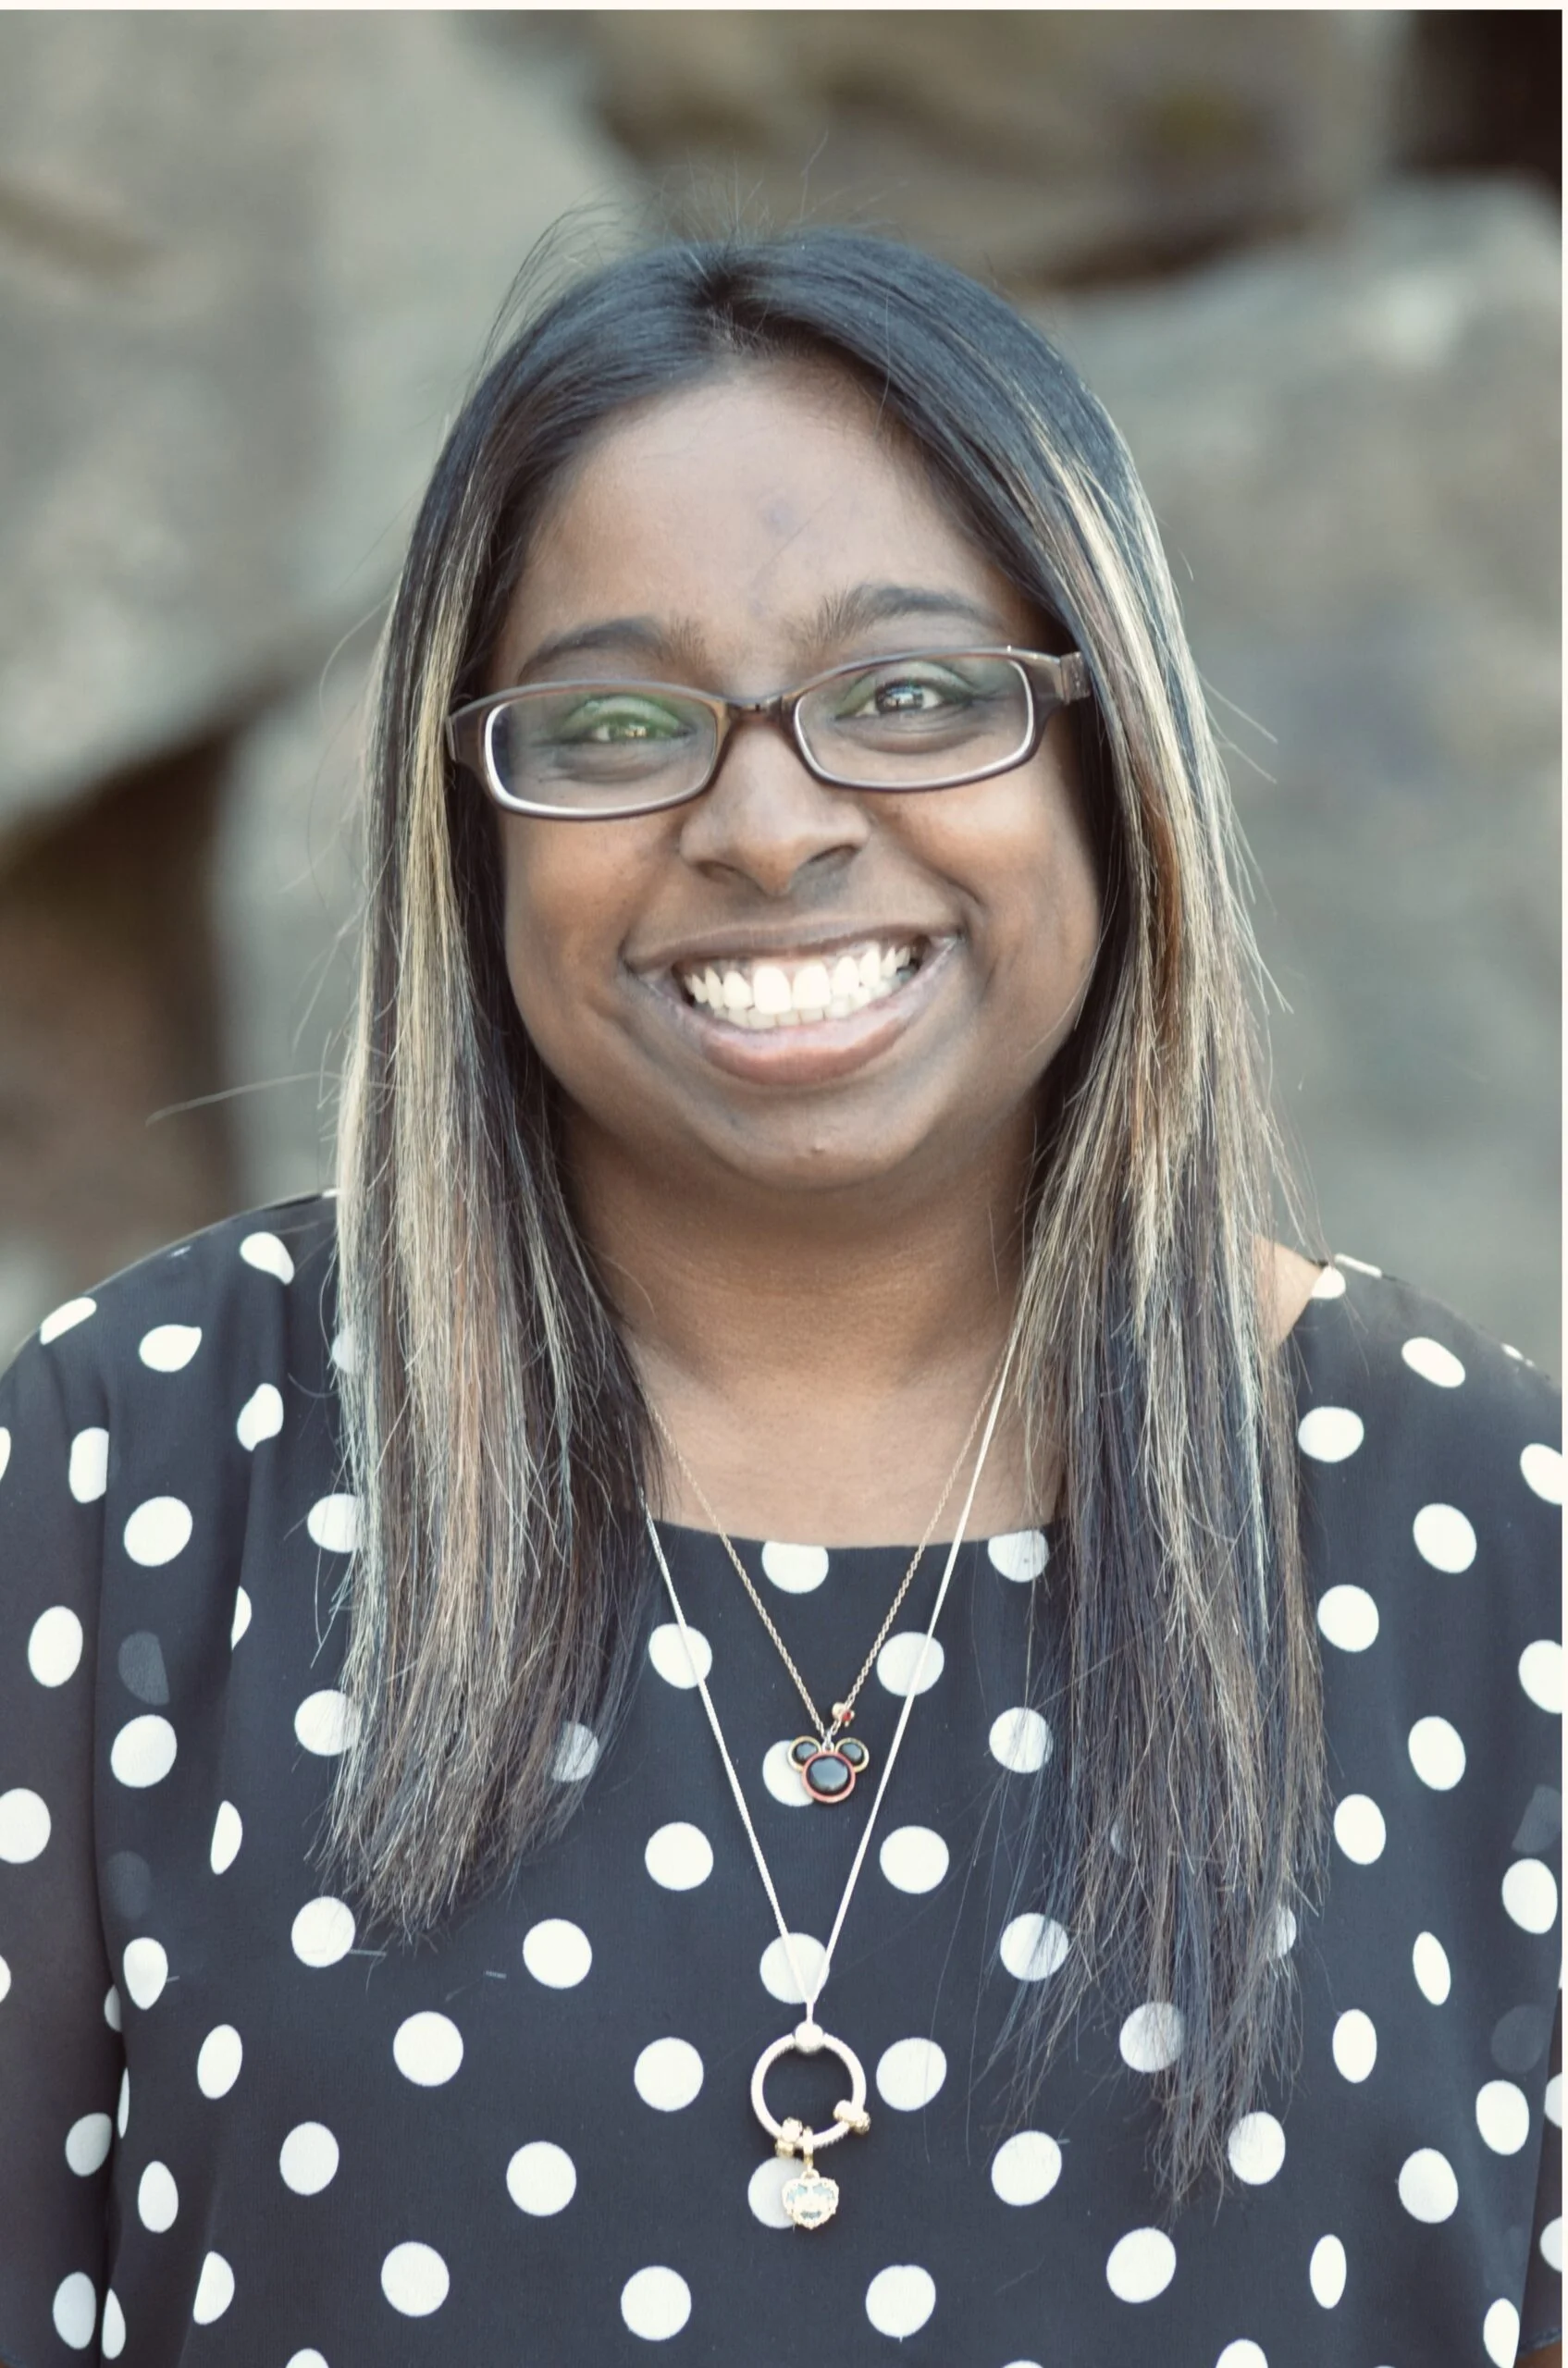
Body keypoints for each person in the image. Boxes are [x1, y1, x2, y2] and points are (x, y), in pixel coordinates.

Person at [0, 229, 1559, 2368]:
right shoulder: (136, 1465)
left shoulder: (1496, 1537)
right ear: (470, 824)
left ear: (1105, 756)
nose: (766, 822)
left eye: (910, 693)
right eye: (618, 721)